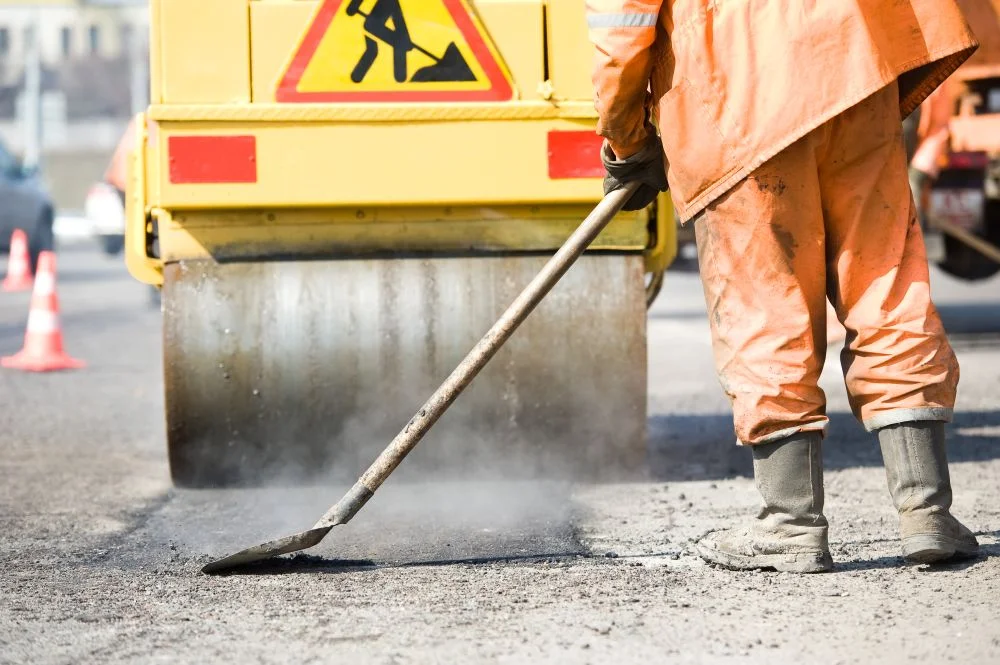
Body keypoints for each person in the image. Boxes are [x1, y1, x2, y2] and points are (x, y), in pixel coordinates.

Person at [587, 0, 980, 572]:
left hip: (738, 98)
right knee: (886, 282)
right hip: (852, 68)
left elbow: (620, 26)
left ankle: (791, 524)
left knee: (763, 303)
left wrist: (626, 140)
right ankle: (928, 513)